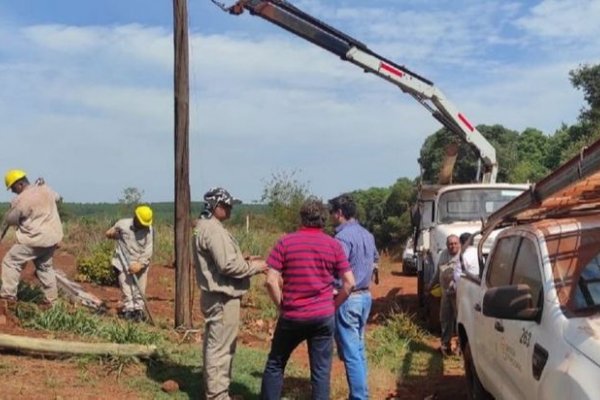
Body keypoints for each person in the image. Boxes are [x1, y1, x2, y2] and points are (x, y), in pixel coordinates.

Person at [261, 197, 355, 400]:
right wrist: (334, 305)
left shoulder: (286, 242)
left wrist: (282, 306)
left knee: (276, 363)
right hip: (322, 317)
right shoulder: (333, 245)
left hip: (293, 315)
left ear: (302, 218)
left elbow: (270, 281)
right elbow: (349, 283)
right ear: (323, 220)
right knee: (321, 372)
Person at [193, 187, 266, 400]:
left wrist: (243, 259)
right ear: (216, 206)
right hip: (223, 297)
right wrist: (256, 266)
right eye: (227, 205)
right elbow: (227, 266)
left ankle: (215, 391)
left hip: (214, 295)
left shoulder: (203, 226)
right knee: (221, 349)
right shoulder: (214, 230)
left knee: (215, 344)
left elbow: (219, 261)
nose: (230, 209)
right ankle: (217, 395)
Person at [328, 193, 378, 400]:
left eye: (331, 212)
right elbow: (375, 260)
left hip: (348, 297)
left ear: (339, 213)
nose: (330, 216)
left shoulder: (342, 238)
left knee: (350, 354)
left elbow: (335, 268)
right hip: (365, 296)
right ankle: (360, 393)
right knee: (358, 349)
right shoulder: (367, 234)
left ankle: (359, 397)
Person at [0, 170, 63, 305]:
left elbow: (11, 220)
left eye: (12, 188)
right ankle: (52, 302)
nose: (12, 191)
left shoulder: (21, 200)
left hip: (34, 239)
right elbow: (59, 198)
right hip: (52, 238)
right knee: (45, 268)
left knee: (10, 261)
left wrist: (13, 207)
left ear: (20, 184)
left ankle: (7, 297)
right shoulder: (46, 190)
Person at [106, 205, 154, 322]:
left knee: (139, 290)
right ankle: (129, 311)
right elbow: (108, 233)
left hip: (140, 262)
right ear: (136, 217)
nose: (144, 225)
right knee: (127, 290)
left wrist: (140, 265)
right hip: (123, 262)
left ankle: (138, 311)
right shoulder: (122, 224)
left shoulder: (150, 230)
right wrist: (111, 234)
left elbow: (148, 250)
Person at [428, 234, 460, 356]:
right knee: (445, 319)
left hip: (458, 295)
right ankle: (445, 345)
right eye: (450, 244)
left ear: (459, 244)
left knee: (459, 320)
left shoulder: (462, 256)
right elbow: (437, 273)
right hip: (445, 294)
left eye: (455, 243)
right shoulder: (443, 255)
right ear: (447, 245)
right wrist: (430, 285)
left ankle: (460, 347)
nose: (453, 246)